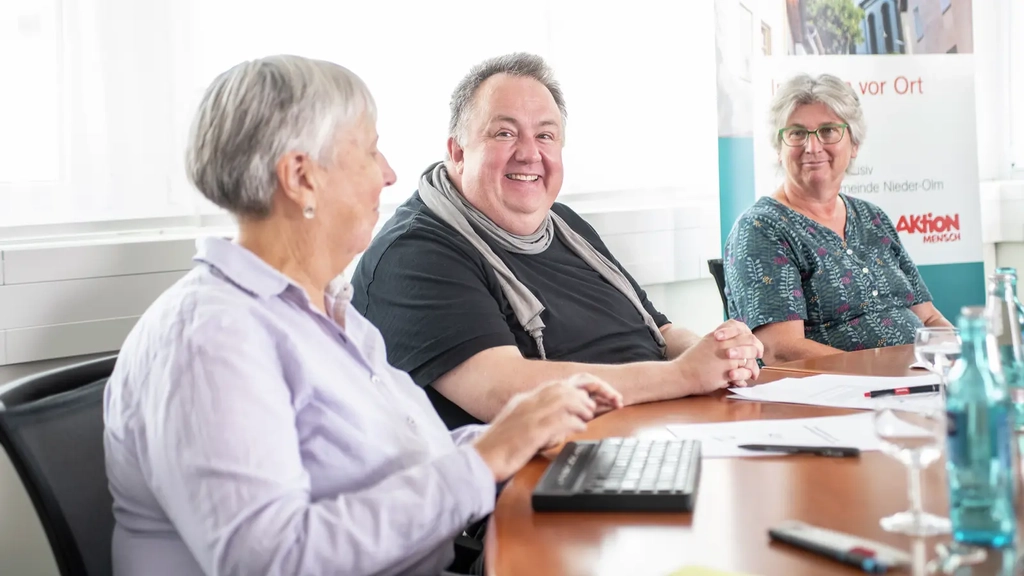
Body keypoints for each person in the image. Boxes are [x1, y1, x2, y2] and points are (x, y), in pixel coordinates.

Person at [103, 55, 624, 576]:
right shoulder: (210, 339)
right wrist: (487, 456)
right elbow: (272, 560)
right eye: (370, 152)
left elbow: (409, 460)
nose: (389, 174)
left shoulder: (325, 312)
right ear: (301, 177)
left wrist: (520, 433)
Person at [350, 52, 763, 430]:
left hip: (657, 429)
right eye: (505, 133)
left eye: (545, 136)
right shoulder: (416, 253)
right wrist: (684, 375)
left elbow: (659, 330)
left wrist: (718, 352)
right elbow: (503, 391)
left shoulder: (563, 223)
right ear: (458, 152)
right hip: (546, 476)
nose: (529, 154)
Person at [723, 73, 952, 366]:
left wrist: (960, 360)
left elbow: (929, 317)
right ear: (780, 150)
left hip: (916, 382)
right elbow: (780, 350)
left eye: (828, 131)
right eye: (796, 133)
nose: (813, 147)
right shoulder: (761, 228)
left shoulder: (873, 219)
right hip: (836, 397)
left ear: (854, 144)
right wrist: (883, 371)